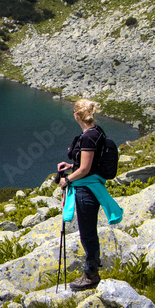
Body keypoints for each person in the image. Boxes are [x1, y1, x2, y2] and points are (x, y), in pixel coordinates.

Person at [57, 98, 123, 291]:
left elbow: (85, 169)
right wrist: (71, 166)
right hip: (92, 185)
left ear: (77, 115)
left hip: (86, 190)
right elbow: (90, 162)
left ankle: (91, 274)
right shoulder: (97, 131)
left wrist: (67, 179)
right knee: (88, 231)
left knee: (87, 233)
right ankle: (91, 271)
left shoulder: (87, 137)